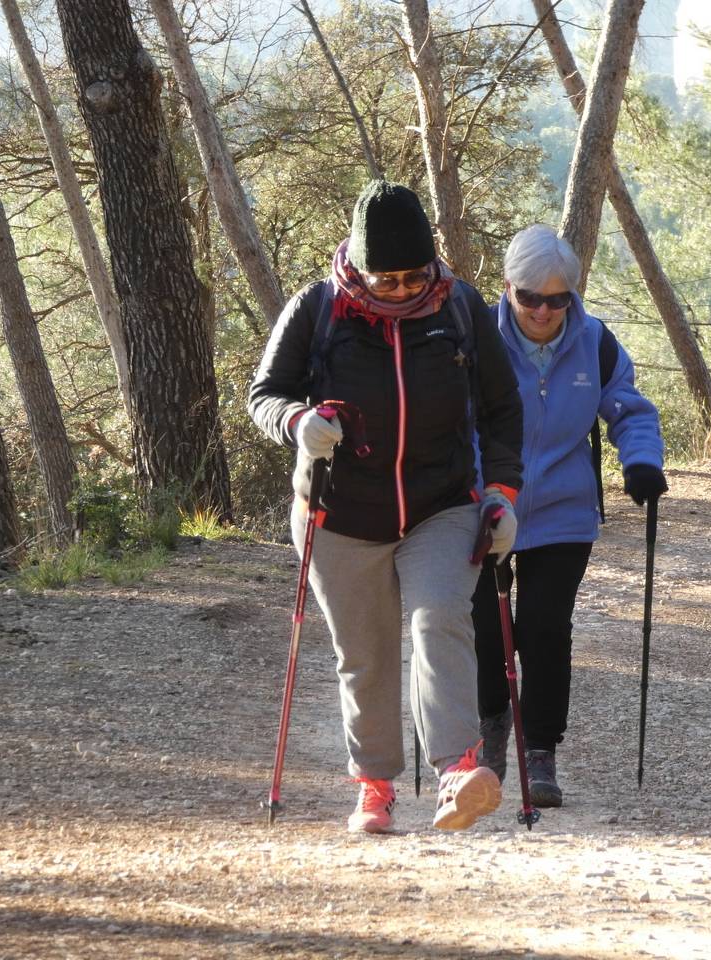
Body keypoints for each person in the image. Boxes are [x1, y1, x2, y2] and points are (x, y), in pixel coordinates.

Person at [248, 179, 524, 834]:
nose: (401, 290)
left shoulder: (459, 307)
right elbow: (265, 394)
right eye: (386, 279)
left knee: (439, 619)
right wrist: (298, 422)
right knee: (365, 654)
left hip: (441, 504)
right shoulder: (317, 309)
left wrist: (502, 495)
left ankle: (458, 770)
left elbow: (501, 409)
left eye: (413, 276)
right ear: (359, 266)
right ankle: (374, 788)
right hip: (340, 514)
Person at [471, 224, 667, 808]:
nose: (543, 310)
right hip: (485, 504)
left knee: (544, 629)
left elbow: (629, 410)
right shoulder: (476, 336)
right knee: (484, 630)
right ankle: (491, 735)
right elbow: (452, 418)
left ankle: (540, 751)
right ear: (508, 287)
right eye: (530, 297)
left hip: (563, 512)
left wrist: (641, 462)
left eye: (558, 299)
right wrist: (471, 489)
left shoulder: (596, 342)